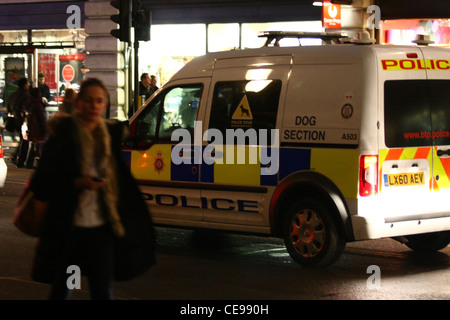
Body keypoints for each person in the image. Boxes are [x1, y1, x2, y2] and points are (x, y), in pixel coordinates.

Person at [29, 78, 156, 300]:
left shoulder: (109, 136)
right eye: (88, 100)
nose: (94, 106)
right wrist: (78, 182)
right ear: (78, 103)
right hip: (70, 232)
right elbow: (42, 184)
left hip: (101, 231)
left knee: (102, 291)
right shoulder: (62, 137)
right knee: (66, 287)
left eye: (99, 101)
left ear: (105, 104)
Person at [8, 77, 29, 166]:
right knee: (24, 141)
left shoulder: (13, 95)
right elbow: (25, 108)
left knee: (22, 140)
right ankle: (20, 160)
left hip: (14, 120)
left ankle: (16, 156)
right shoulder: (25, 95)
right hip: (22, 121)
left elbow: (9, 107)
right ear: (25, 85)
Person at [23, 88, 47, 168]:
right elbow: (41, 118)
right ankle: (32, 163)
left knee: (34, 146)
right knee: (37, 146)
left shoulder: (29, 103)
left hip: (31, 128)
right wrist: (45, 129)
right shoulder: (37, 104)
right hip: (37, 129)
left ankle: (29, 163)